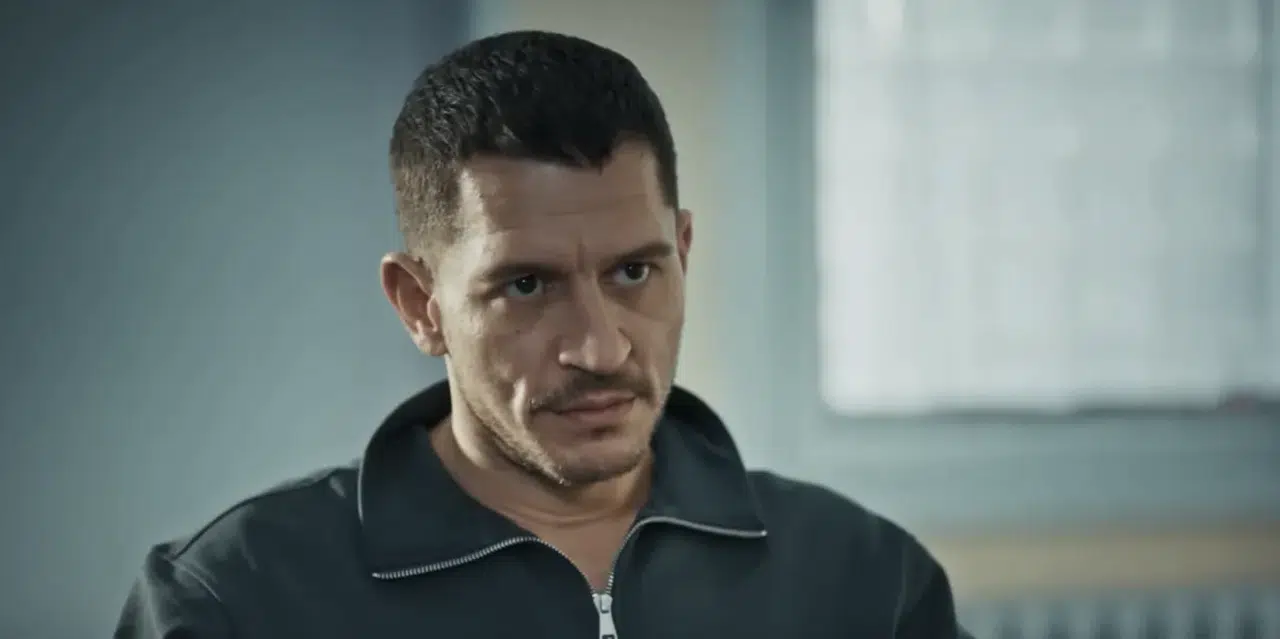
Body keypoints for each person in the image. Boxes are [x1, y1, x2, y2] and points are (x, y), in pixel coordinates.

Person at [115, 30, 972, 638]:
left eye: (633, 272)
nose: (599, 349)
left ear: (682, 252)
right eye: (526, 285)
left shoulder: (865, 581)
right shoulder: (234, 602)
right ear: (420, 304)